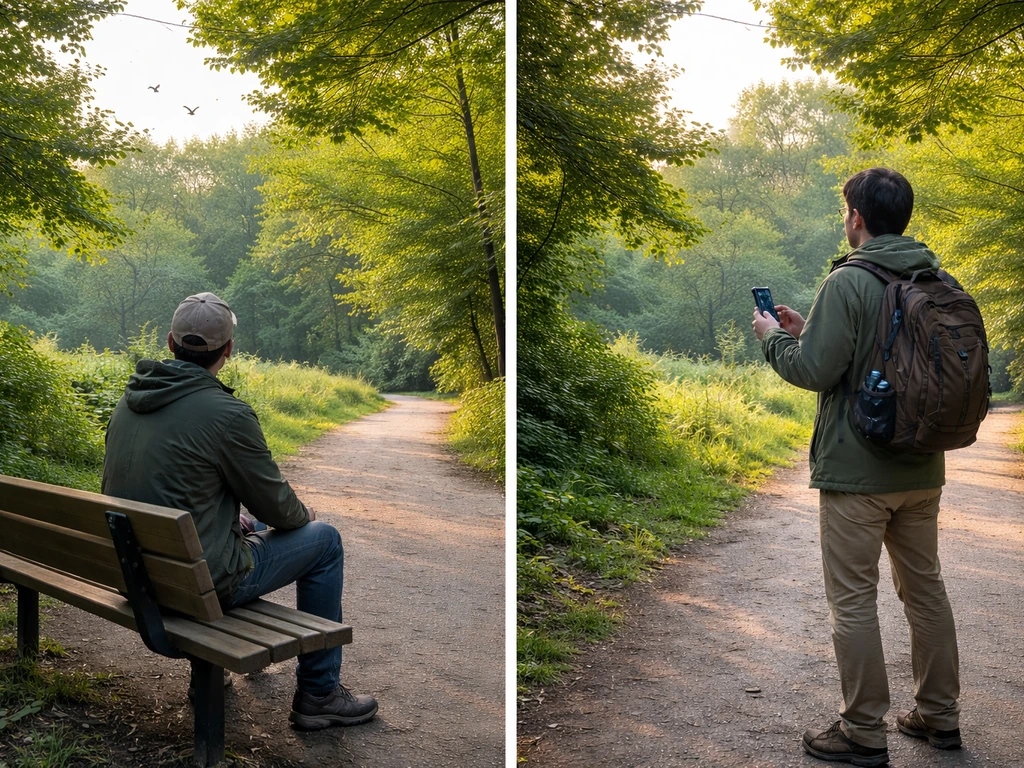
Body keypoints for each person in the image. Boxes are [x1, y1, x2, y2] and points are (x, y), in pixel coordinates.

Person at [751, 168, 961, 766]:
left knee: (854, 601)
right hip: (921, 467)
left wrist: (773, 337)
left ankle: (863, 730)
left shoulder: (848, 281)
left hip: (857, 473)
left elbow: (814, 372)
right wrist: (805, 330)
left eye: (846, 212)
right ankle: (939, 718)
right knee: (926, 592)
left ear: (857, 218)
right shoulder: (934, 275)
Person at [102, 292, 377, 729]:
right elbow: (284, 512)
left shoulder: (130, 399)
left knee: (253, 523)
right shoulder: (227, 414)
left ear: (170, 343)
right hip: (193, 584)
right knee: (324, 541)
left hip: (133, 570)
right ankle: (320, 693)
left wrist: (238, 521)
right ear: (228, 350)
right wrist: (295, 515)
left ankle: (210, 678)